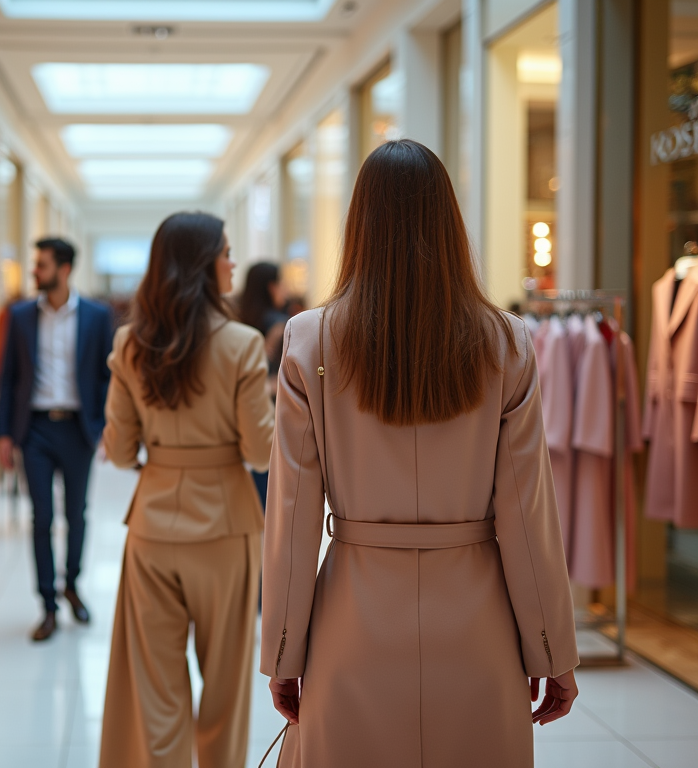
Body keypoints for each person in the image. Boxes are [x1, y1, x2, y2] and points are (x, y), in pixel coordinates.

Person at [261, 140, 579, 767]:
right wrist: (553, 651)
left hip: (353, 623)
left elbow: (293, 519)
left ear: (359, 225)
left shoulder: (309, 339)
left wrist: (283, 652)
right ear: (449, 224)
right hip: (477, 625)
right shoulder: (506, 344)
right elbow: (526, 512)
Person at [98, 212, 275, 768]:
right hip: (227, 524)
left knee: (156, 689)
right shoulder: (243, 345)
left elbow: (121, 452)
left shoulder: (130, 345)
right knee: (225, 686)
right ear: (204, 264)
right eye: (226, 251)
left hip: (152, 525)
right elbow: (261, 453)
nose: (233, 262)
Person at [0, 237, 114, 641]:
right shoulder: (22, 315)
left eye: (42, 265)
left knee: (76, 514)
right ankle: (47, 604)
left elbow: (105, 375)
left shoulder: (97, 316)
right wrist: (4, 434)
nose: (35, 271)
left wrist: (103, 426)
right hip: (37, 429)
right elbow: (7, 377)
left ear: (64, 269)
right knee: (40, 518)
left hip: (78, 428)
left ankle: (72, 585)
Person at [237, 261, 290, 507]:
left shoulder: (237, 321)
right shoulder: (280, 325)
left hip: (240, 408)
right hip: (274, 411)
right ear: (271, 287)